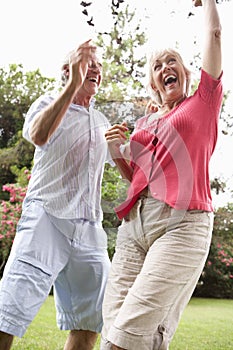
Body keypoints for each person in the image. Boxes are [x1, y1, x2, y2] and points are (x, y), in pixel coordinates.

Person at [101, 0, 223, 349]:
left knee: (125, 336)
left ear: (185, 73)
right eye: (158, 66)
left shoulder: (203, 101)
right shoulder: (146, 123)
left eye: (172, 62)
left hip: (182, 224)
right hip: (134, 227)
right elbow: (138, 180)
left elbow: (214, 35)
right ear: (154, 83)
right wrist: (115, 151)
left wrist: (209, 1)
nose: (166, 67)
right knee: (116, 331)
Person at [0, 39, 111, 350]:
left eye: (99, 67)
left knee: (91, 320)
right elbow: (38, 135)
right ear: (68, 70)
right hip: (46, 218)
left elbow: (134, 158)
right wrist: (73, 84)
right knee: (9, 308)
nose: (97, 71)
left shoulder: (101, 122)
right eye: (90, 64)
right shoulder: (47, 102)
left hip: (89, 228)